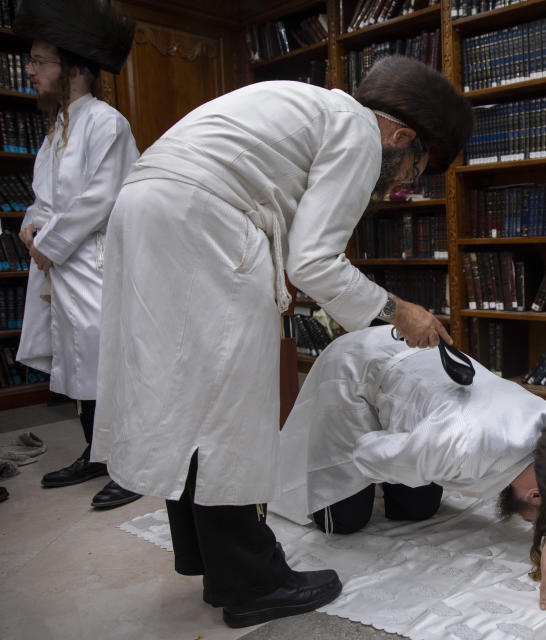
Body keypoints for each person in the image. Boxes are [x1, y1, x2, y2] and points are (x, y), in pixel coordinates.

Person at [89, 56, 474, 628]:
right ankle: (252, 581)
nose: (400, 186)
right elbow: (314, 260)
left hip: (147, 207)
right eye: (414, 170)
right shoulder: (360, 135)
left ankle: (212, 559)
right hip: (204, 222)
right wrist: (399, 311)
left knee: (190, 399)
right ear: (402, 136)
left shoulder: (315, 108)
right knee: (229, 413)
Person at [273, 325, 546, 613]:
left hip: (425, 390)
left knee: (416, 510)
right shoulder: (459, 445)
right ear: (536, 495)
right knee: (342, 520)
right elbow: (367, 452)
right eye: (543, 519)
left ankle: (408, 457)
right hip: (358, 368)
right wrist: (407, 460)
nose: (535, 525)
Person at [14, 0, 141, 509]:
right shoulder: (56, 130)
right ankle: (97, 452)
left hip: (95, 263)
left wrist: (47, 241)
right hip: (61, 266)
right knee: (78, 365)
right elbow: (44, 201)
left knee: (106, 363)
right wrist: (29, 228)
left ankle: (131, 465)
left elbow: (102, 196)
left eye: (39, 61)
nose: (30, 70)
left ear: (75, 69)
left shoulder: (105, 123)